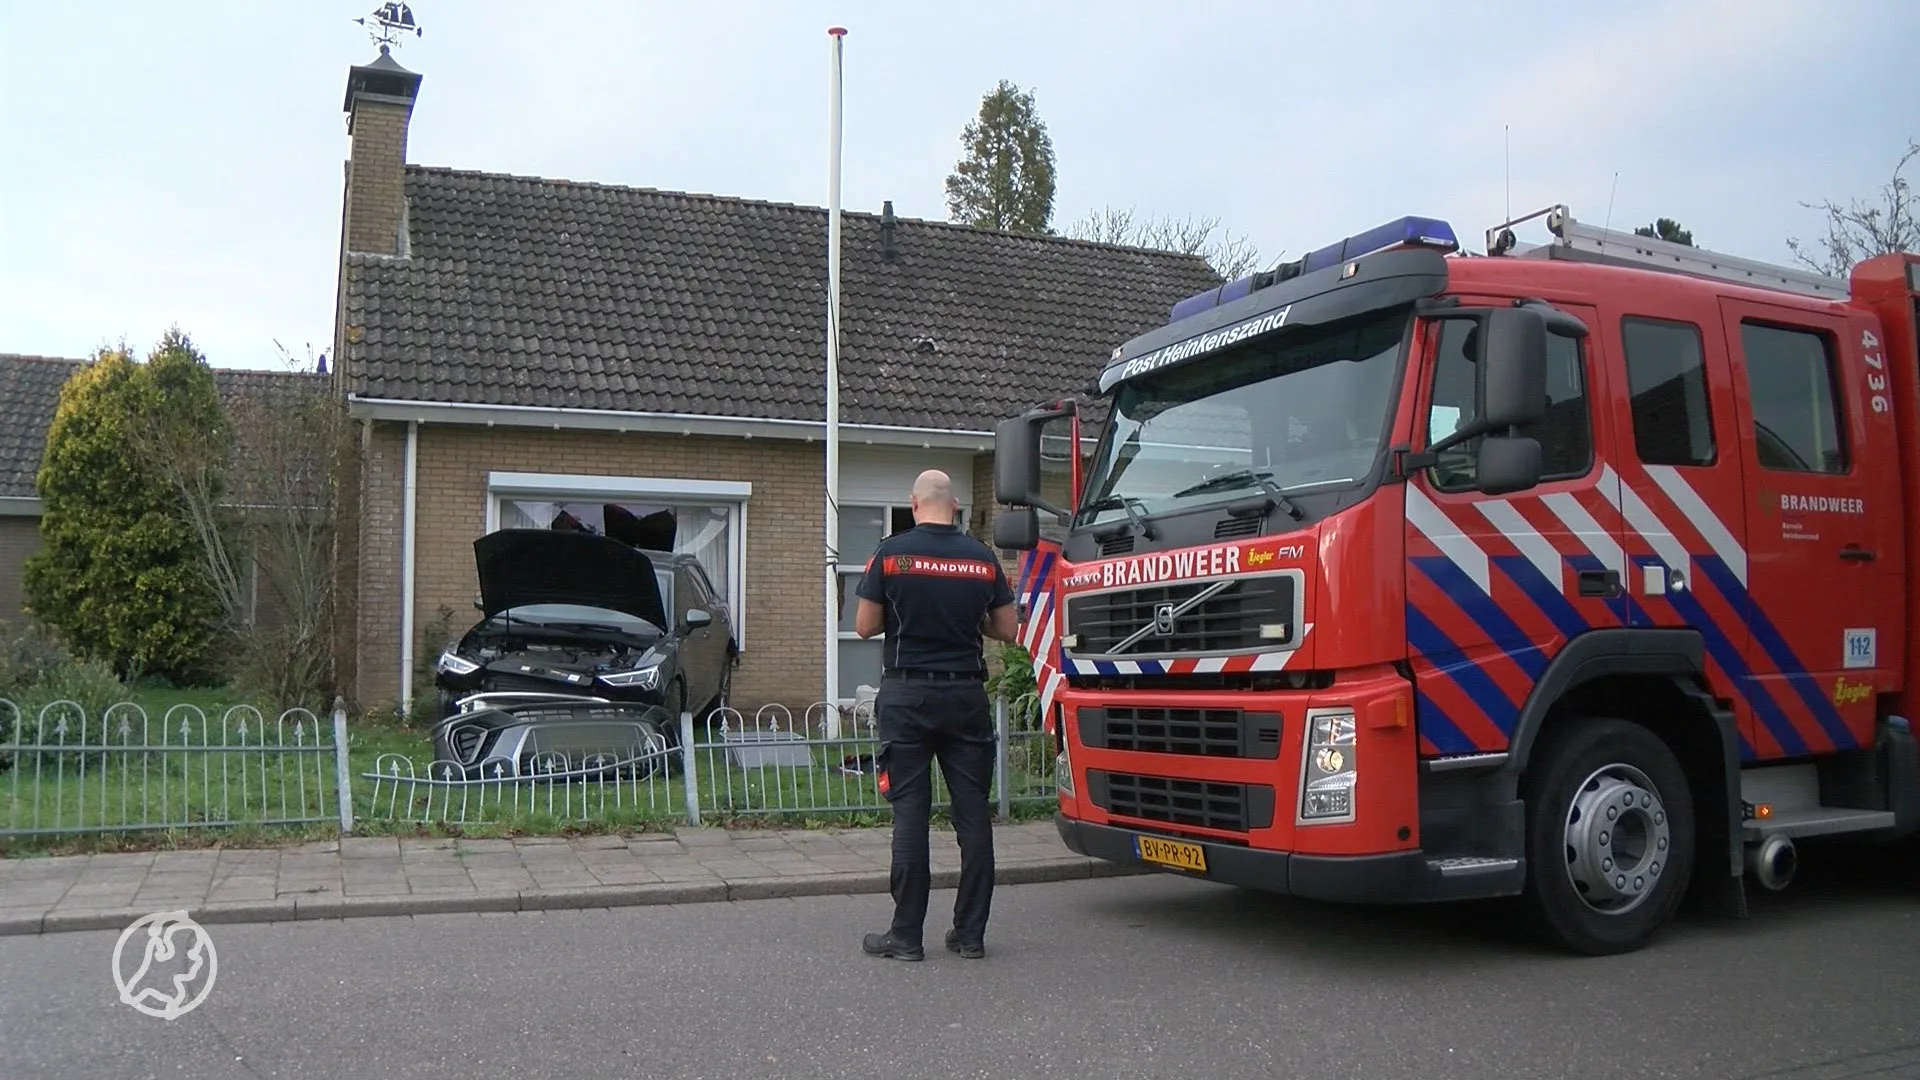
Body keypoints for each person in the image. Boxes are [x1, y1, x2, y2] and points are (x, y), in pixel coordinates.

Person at [853, 469, 1018, 961]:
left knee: (910, 816)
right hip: (966, 696)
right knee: (973, 817)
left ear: (914, 503)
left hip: (907, 695)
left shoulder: (891, 553)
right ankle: (970, 935)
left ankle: (905, 937)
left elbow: (864, 626)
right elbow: (1007, 629)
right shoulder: (982, 557)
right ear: (956, 506)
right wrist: (969, 621)